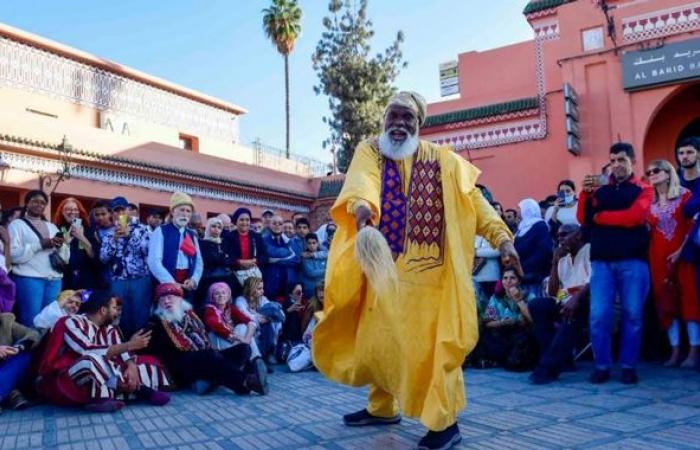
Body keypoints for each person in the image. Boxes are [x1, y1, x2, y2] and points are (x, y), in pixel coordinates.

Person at [312, 91, 520, 450]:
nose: (400, 123)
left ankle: (445, 424)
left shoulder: (445, 161)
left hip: (433, 281)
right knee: (379, 339)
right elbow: (363, 182)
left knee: (436, 349)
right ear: (384, 118)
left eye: (408, 117)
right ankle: (382, 407)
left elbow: (475, 202)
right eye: (394, 115)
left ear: (419, 125)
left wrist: (502, 239)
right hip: (384, 272)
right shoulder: (371, 150)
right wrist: (362, 208)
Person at [577, 142, 652, 384]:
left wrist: (601, 217)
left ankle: (629, 365)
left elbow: (635, 217)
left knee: (633, 315)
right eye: (613, 160)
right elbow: (583, 218)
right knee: (599, 315)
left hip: (633, 261)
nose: (616, 165)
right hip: (601, 263)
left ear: (633, 161)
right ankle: (602, 365)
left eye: (621, 159)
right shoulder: (598, 190)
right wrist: (584, 194)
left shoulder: (644, 188)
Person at [36, 290, 170, 412]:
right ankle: (139, 390)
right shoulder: (72, 322)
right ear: (103, 310)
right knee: (91, 360)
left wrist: (131, 365)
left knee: (148, 363)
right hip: (73, 374)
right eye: (114, 308)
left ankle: (106, 396)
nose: (117, 313)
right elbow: (86, 349)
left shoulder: (110, 328)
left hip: (104, 372)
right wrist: (129, 345)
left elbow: (121, 350)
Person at [146, 283, 267, 396]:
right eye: (162, 299)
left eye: (170, 297)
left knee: (243, 349)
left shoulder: (191, 314)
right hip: (181, 366)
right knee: (209, 356)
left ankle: (207, 380)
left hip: (206, 356)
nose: (167, 301)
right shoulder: (155, 323)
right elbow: (144, 344)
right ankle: (245, 382)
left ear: (180, 299)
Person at [646, 160, 700, 367]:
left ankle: (694, 350)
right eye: (649, 172)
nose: (652, 174)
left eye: (656, 170)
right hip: (658, 256)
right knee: (665, 301)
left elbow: (691, 226)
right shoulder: (649, 202)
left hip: (682, 254)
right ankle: (675, 350)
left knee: (689, 298)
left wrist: (681, 250)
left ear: (668, 173)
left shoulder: (685, 195)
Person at [529, 224, 590, 384]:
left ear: (578, 235)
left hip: (587, 301)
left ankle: (548, 369)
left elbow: (594, 280)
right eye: (558, 236)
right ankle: (562, 359)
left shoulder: (589, 250)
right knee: (537, 305)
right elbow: (552, 292)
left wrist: (575, 298)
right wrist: (555, 262)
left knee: (570, 313)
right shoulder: (563, 257)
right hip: (565, 300)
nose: (560, 239)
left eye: (564, 235)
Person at [9, 190, 69, 326]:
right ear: (27, 203)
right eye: (35, 201)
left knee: (50, 322)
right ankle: (28, 347)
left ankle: (45, 348)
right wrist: (40, 244)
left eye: (42, 203)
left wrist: (61, 245)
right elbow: (13, 255)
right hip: (30, 279)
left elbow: (65, 257)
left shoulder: (52, 226)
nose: (39, 205)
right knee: (30, 321)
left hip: (54, 280)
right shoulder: (17, 225)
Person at [99, 196, 152, 338]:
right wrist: (114, 240)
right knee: (119, 316)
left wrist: (130, 237)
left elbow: (148, 253)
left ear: (128, 210)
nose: (119, 214)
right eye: (115, 211)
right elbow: (103, 258)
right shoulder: (110, 233)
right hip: (118, 280)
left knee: (140, 314)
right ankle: (123, 348)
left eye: (122, 209)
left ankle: (141, 348)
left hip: (139, 279)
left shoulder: (143, 229)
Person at [472, 267, 536, 370]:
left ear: (519, 281)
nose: (508, 281)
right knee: (484, 334)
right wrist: (503, 323)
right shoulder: (496, 298)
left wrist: (518, 299)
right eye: (505, 278)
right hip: (502, 332)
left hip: (520, 333)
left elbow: (531, 319)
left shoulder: (528, 296)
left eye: (512, 278)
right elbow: (489, 322)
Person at [147, 192, 203, 300]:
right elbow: (154, 261)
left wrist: (194, 280)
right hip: (166, 285)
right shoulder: (161, 231)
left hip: (187, 286)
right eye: (182, 210)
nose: (185, 214)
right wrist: (171, 283)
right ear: (173, 211)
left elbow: (199, 261)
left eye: (188, 211)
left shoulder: (192, 235)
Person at [202, 282, 262, 364]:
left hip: (233, 341)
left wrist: (247, 339)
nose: (221, 296)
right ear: (212, 297)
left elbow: (249, 321)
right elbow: (215, 325)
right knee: (241, 336)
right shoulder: (209, 310)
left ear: (228, 295)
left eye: (223, 293)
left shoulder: (230, 308)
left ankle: (256, 360)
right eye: (217, 294)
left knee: (242, 326)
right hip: (218, 343)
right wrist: (238, 338)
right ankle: (255, 360)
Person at [53, 197, 98, 290]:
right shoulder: (56, 229)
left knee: (85, 303)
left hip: (86, 278)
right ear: (62, 212)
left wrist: (81, 236)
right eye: (68, 209)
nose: (72, 212)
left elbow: (94, 254)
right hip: (64, 278)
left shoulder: (88, 229)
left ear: (79, 212)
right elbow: (54, 254)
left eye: (75, 209)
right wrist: (66, 241)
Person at [234, 277, 282, 364]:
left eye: (262, 288)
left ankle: (268, 353)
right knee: (265, 322)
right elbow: (247, 317)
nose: (262, 291)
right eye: (259, 288)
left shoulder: (262, 299)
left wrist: (264, 317)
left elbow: (277, 313)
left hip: (262, 329)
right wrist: (259, 316)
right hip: (247, 329)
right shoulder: (240, 300)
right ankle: (261, 358)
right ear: (251, 289)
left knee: (272, 321)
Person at [0, 312, 40, 414]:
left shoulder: (6, 321)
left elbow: (33, 334)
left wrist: (18, 348)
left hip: (8, 369)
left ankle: (9, 393)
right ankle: (12, 393)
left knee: (25, 354)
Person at [514, 198, 553, 297]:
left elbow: (545, 249)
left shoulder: (540, 226)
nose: (518, 212)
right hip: (522, 274)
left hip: (535, 274)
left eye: (520, 208)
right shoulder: (521, 227)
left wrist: (527, 265)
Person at [222, 208, 266, 295]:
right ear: (236, 221)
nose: (245, 222)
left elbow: (265, 256)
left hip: (254, 276)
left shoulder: (257, 237)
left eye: (247, 220)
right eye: (241, 220)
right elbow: (225, 257)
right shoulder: (228, 237)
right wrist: (239, 262)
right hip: (235, 277)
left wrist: (255, 261)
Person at [196, 217, 234, 309]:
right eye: (213, 226)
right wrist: (222, 258)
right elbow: (207, 260)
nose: (216, 229)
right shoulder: (201, 243)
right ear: (208, 227)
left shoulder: (224, 243)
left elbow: (229, 260)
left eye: (219, 227)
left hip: (224, 279)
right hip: (207, 279)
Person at [261, 215, 295, 300]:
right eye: (274, 223)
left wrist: (275, 260)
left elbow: (295, 260)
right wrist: (286, 255)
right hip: (270, 282)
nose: (277, 225)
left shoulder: (288, 241)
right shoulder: (263, 240)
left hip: (287, 282)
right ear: (269, 225)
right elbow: (270, 252)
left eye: (280, 223)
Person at [87, 199, 113, 290]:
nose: (100, 217)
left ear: (110, 213)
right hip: (100, 277)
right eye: (97, 215)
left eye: (103, 214)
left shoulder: (118, 229)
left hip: (117, 275)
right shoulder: (93, 232)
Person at [300, 233, 327, 300]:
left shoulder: (323, 255)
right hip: (310, 291)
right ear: (306, 244)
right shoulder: (304, 257)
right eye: (309, 243)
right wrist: (326, 270)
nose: (312, 245)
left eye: (314, 243)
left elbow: (330, 252)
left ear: (317, 243)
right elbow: (311, 273)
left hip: (323, 290)